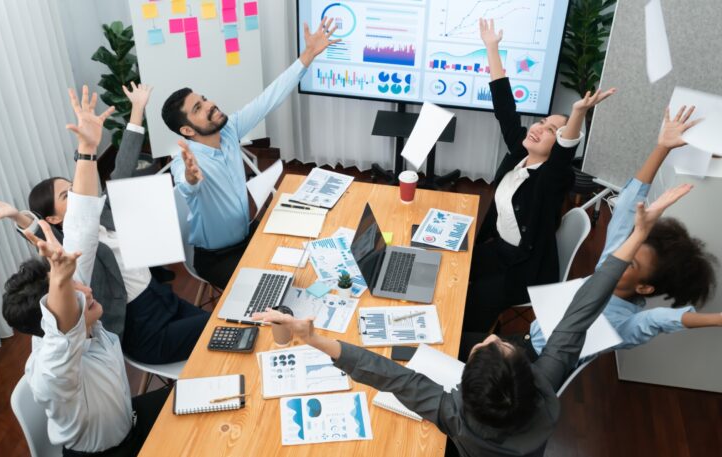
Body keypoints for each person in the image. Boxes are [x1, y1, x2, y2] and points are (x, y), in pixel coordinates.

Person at [253, 183, 692, 457]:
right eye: (500, 345)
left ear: (461, 387)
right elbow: (585, 308)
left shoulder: (454, 416)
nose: (491, 340)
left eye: (487, 346)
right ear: (526, 371)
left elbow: (382, 374)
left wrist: (310, 338)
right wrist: (636, 235)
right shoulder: (543, 384)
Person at [0, 85, 210, 364]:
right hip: (142, 327)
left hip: (162, 299)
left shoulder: (103, 211)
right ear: (53, 218)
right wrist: (17, 217)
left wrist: (137, 109)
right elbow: (44, 239)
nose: (76, 194)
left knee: (223, 330)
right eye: (65, 195)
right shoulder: (73, 249)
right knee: (219, 331)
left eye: (73, 188)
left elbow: (123, 166)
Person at [15, 87, 168, 455]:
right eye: (72, 290)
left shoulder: (85, 316)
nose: (86, 289)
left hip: (130, 420)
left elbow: (82, 223)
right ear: (55, 325)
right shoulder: (54, 368)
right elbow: (74, 241)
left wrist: (87, 152)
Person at [528, 105, 719, 362]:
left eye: (630, 262)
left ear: (644, 287)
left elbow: (659, 320)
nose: (621, 255)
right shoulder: (612, 264)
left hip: (531, 372)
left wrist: (717, 320)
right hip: (524, 340)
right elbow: (628, 204)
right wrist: (663, 147)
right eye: (630, 245)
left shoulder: (622, 324)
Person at [462, 19, 617, 335]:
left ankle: (466, 354)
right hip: (501, 249)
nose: (539, 128)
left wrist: (576, 114)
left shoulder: (551, 179)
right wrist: (492, 47)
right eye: (542, 122)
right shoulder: (520, 152)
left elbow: (562, 156)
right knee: (454, 271)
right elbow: (504, 106)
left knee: (469, 300)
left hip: (525, 269)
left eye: (550, 131)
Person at [162, 17, 339, 289]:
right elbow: (186, 185)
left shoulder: (229, 129)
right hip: (215, 258)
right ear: (187, 131)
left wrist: (307, 56)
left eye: (204, 99)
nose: (209, 105)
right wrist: (191, 177)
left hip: (247, 236)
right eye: (198, 108)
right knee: (273, 292)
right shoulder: (186, 162)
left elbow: (269, 98)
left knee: (302, 264)